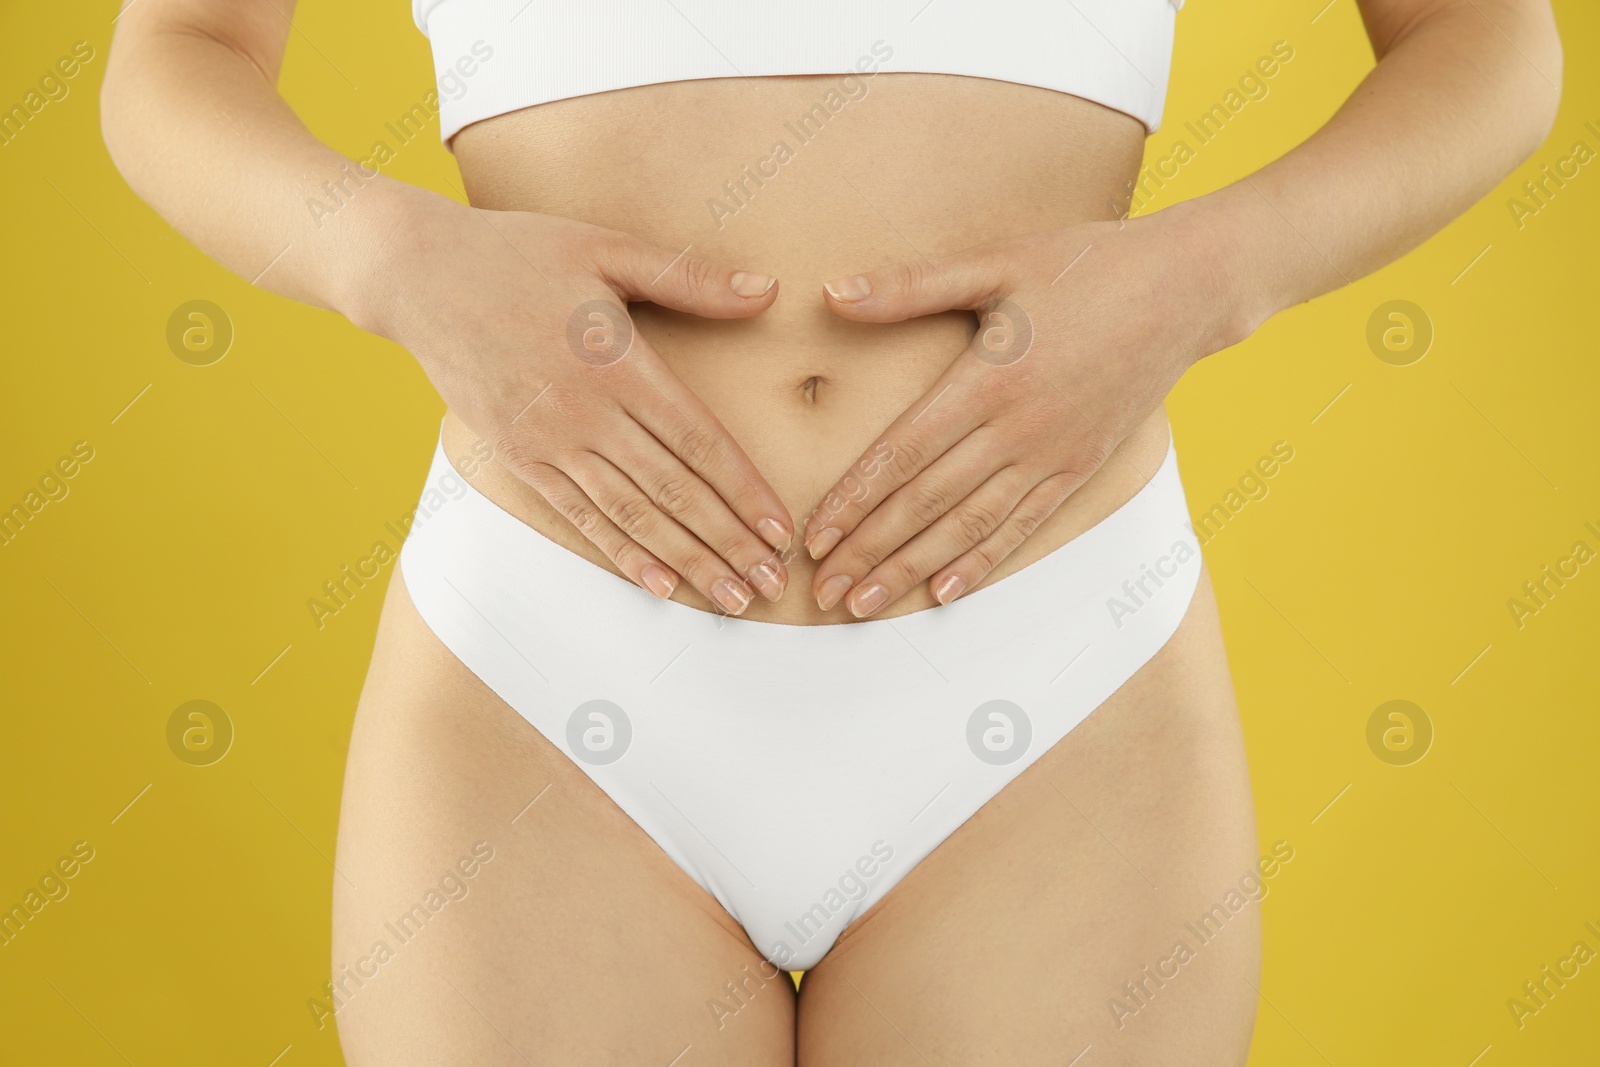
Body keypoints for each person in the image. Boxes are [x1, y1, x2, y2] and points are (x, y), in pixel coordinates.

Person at [101, 0, 1561, 1062]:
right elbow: (176, 53)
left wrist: (1204, 277)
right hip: (545, 670)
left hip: (1054, 671)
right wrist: (394, 262)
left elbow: (1491, 40)